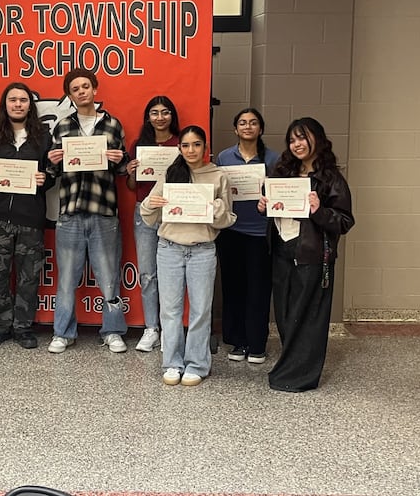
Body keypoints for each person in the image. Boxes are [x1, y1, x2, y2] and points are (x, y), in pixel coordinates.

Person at [257, 117, 354, 392]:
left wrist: (319, 211)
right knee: (286, 313)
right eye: (292, 139)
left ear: (318, 139)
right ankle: (290, 366)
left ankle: (301, 375)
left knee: (308, 316)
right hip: (282, 250)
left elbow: (344, 221)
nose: (297, 144)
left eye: (302, 137)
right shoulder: (283, 172)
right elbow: (273, 208)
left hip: (312, 255)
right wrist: (263, 206)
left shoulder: (331, 178)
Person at [140, 125, 235, 386]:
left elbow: (227, 219)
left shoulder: (218, 176)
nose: (191, 150)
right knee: (170, 310)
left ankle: (197, 364)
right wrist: (151, 203)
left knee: (201, 310)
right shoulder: (171, 174)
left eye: (196, 144)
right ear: (179, 148)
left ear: (206, 148)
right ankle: (172, 362)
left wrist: (215, 208)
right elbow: (148, 216)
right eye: (185, 145)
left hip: (202, 250)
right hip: (169, 248)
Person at [46, 68, 129, 354]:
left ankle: (113, 330)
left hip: (103, 210)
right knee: (67, 277)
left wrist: (120, 159)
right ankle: (63, 332)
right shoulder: (62, 126)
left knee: (108, 276)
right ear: (69, 96)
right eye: (74, 89)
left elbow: (122, 168)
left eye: (85, 86)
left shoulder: (113, 125)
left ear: (95, 89)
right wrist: (53, 159)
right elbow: (52, 171)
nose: (81, 92)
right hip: (69, 210)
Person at [0, 82, 53, 349]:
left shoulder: (43, 136)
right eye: (13, 100)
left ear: (29, 105)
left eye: (23, 100)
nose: (18, 104)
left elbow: (55, 171)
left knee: (28, 276)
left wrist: (46, 178)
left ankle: (23, 327)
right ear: (5, 104)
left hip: (31, 217)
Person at [215, 108, 280, 364]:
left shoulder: (273, 159)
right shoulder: (223, 157)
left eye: (253, 123)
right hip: (231, 232)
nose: (248, 126)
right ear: (235, 129)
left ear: (260, 129)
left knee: (259, 289)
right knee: (233, 288)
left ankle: (256, 344)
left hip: (260, 233)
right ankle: (237, 340)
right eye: (242, 122)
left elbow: (281, 195)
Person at [125, 95, 180, 352]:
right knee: (147, 273)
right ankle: (151, 328)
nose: (160, 117)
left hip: (173, 213)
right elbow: (132, 187)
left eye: (165, 112)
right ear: (148, 117)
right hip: (144, 212)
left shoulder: (181, 144)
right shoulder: (139, 145)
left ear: (172, 116)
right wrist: (132, 173)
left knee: (173, 273)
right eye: (155, 113)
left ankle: (171, 330)